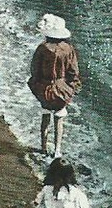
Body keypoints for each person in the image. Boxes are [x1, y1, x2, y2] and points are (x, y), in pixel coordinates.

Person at [28, 13, 81, 157]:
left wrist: (36, 83)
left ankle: (43, 147)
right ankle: (57, 150)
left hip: (44, 87)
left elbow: (35, 69)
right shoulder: (68, 49)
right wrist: (72, 87)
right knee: (59, 118)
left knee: (45, 116)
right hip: (61, 88)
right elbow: (73, 71)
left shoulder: (42, 48)